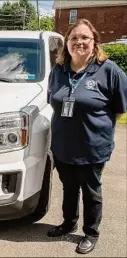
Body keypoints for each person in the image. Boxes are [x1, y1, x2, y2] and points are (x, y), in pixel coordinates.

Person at [47, 19, 127, 254]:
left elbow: (120, 109)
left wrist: (99, 129)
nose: (78, 42)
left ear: (94, 42)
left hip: (92, 146)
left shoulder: (109, 70)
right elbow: (53, 102)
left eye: (84, 38)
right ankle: (68, 222)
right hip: (62, 144)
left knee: (91, 191)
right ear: (67, 44)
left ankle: (91, 232)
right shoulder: (58, 70)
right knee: (69, 187)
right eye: (73, 38)